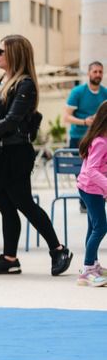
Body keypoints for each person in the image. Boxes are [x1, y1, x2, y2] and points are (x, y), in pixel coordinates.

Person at [0, 34, 73, 276]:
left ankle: (58, 250)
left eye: (1, 51)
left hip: (14, 155)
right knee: (6, 207)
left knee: (24, 203)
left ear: (14, 54)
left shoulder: (25, 84)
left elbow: (12, 120)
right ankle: (9, 258)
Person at [75, 101, 107, 287]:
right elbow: (91, 171)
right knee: (101, 227)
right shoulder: (100, 142)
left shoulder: (101, 140)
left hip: (92, 188)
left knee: (93, 227)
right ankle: (87, 271)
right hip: (91, 189)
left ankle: (92, 264)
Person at [64, 61, 106, 150]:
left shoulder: (105, 93)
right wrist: (84, 122)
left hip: (99, 139)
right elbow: (66, 117)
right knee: (78, 164)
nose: (98, 74)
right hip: (78, 138)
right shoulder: (77, 92)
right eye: (95, 72)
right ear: (88, 73)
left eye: (100, 72)